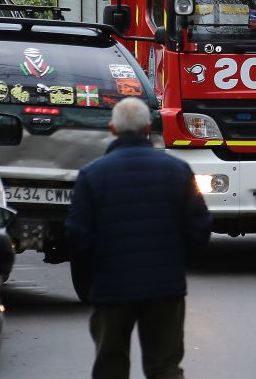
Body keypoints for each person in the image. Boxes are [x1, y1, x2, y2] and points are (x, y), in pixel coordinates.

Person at [66, 97, 211, 379]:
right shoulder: (178, 171)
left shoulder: (91, 175)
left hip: (111, 287)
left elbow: (78, 234)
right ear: (147, 128)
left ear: (112, 129)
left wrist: (94, 275)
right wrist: (176, 263)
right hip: (164, 287)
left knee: (110, 366)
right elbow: (199, 226)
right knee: (164, 368)